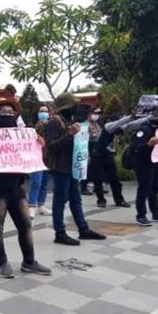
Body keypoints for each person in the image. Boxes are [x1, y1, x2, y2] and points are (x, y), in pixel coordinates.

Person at [0, 98, 51, 278]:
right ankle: (1, 263)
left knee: (25, 225)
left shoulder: (21, 135)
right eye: (4, 112)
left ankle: (29, 261)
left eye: (11, 113)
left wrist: (41, 146)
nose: (8, 115)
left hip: (16, 189)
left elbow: (35, 159)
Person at [44, 92, 106, 245]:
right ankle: (60, 232)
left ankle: (83, 229)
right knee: (60, 200)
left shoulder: (69, 120)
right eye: (74, 105)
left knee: (75, 198)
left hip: (72, 166)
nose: (77, 107)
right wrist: (70, 134)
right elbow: (52, 146)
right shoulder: (55, 122)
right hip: (60, 168)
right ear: (68, 107)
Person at [131, 110, 158, 226]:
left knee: (154, 189)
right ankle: (141, 215)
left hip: (155, 162)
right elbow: (135, 148)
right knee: (144, 189)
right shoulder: (144, 129)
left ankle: (156, 213)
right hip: (143, 163)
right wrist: (148, 144)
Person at [92, 112, 143, 209]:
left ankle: (119, 200)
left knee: (114, 179)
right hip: (98, 155)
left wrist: (149, 117)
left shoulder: (121, 128)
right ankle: (101, 200)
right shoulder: (109, 126)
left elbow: (134, 124)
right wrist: (131, 116)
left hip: (108, 155)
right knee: (98, 178)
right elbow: (120, 122)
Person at [28, 104, 53, 218]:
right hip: (36, 158)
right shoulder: (31, 127)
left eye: (46, 111)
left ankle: (41, 205)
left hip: (47, 158)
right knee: (36, 183)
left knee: (44, 183)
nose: (43, 113)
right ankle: (31, 205)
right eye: (41, 111)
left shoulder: (52, 126)